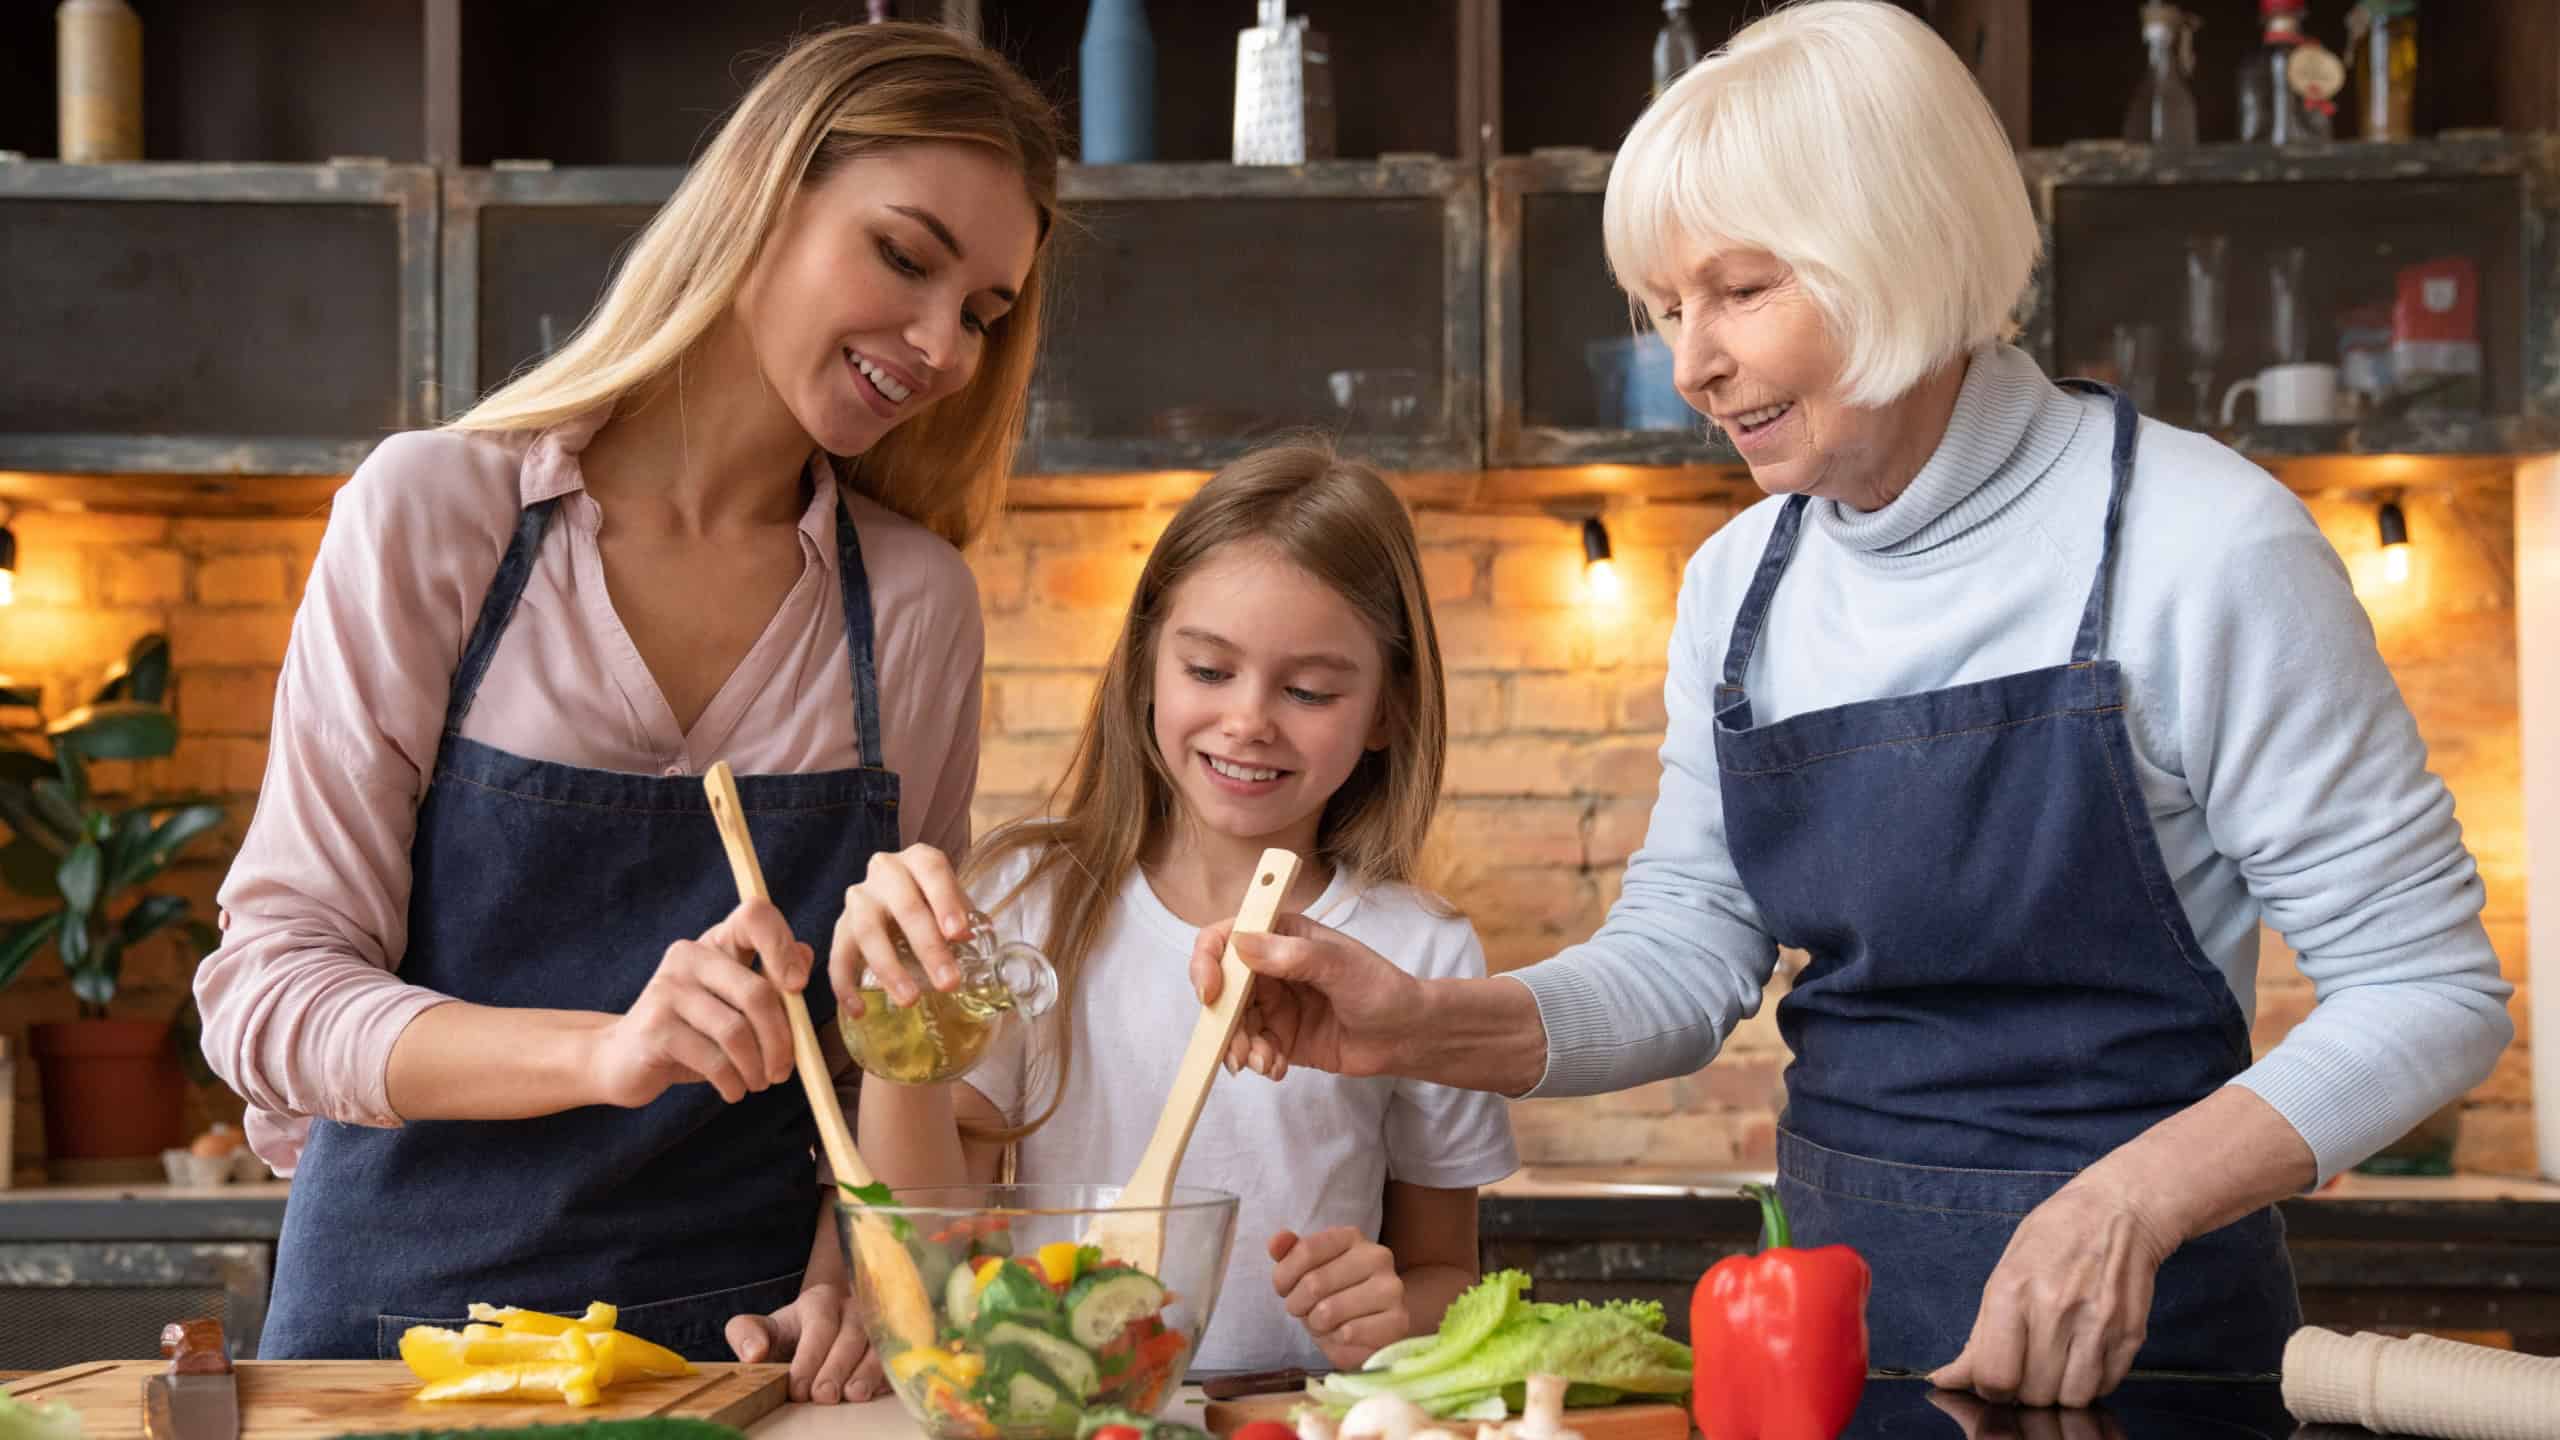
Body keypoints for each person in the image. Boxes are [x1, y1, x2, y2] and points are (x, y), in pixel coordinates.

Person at [1187, 0, 2513, 1409]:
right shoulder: (1737, 586)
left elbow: (2430, 992)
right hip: (1818, 1357)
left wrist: (2126, 1203)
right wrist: (1415, 1024)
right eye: (1667, 307)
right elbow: (1688, 961)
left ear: (1899, 247)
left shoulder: (2206, 550)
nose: (1690, 364)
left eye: (1740, 290)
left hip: (2150, 1355)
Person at [191, 22, 1061, 1405]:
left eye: (986, 312)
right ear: (763, 201)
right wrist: (604, 1052)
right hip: (395, 1351)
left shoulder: (912, 607)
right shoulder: (439, 519)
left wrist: (857, 1259)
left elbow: (897, 1041)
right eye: (905, 256)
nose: (942, 343)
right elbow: (268, 997)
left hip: (739, 1368)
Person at [849, 444, 1519, 1373]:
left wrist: (1392, 1310)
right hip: (1070, 1418)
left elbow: (1448, 1270)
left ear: (1386, 712)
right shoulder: (1028, 900)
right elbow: (926, 1238)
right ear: (1145, 668)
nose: (1249, 719)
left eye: (1310, 691)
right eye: (1208, 671)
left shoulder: (1424, 954)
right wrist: (898, 1017)